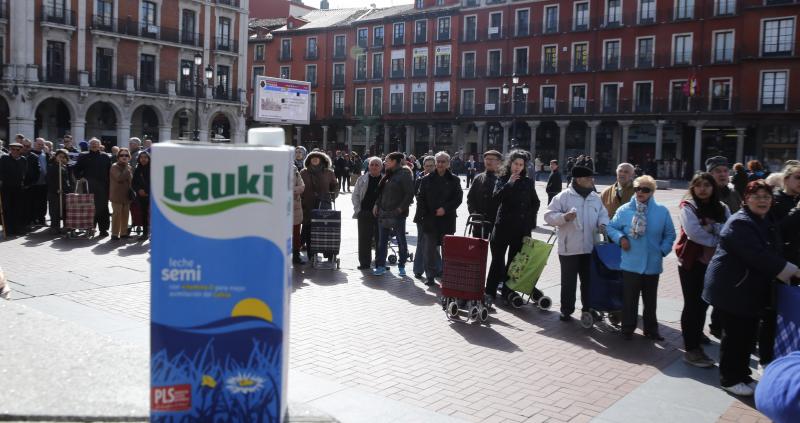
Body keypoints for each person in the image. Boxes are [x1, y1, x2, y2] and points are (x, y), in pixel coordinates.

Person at [703, 180, 800, 396]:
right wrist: (792, 270)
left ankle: (743, 375)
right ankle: (729, 379)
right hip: (732, 288)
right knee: (735, 336)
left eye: (766, 197)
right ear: (746, 199)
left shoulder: (765, 219)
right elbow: (759, 256)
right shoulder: (740, 222)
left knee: (747, 335)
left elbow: (775, 249)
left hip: (750, 288)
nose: (762, 201)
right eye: (756, 196)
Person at [606, 175, 676, 341]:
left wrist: (662, 251)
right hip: (631, 262)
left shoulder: (662, 211)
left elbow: (670, 234)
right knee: (629, 299)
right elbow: (611, 227)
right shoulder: (624, 210)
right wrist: (621, 238)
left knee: (650, 301)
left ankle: (651, 329)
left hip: (653, 263)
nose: (640, 192)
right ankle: (628, 328)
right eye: (638, 188)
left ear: (652, 192)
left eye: (645, 189)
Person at [675, 173, 730, 368]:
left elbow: (728, 229)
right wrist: (716, 236)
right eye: (698, 185)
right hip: (691, 262)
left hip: (714, 262)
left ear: (713, 187)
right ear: (692, 188)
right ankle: (691, 349)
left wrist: (712, 227)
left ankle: (696, 337)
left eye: (707, 185)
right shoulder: (688, 206)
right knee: (693, 304)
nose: (702, 189)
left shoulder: (722, 208)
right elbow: (694, 233)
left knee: (704, 303)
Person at [545, 166, 609, 321]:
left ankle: (588, 308)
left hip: (590, 247)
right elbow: (548, 216)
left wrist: (603, 224)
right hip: (569, 247)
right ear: (579, 179)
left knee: (589, 281)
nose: (592, 181)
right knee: (568, 282)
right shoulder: (564, 196)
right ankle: (566, 310)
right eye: (589, 178)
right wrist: (564, 217)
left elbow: (603, 214)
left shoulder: (595, 197)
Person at [483, 150, 540, 304]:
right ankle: (489, 293)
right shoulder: (502, 179)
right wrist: (509, 184)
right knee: (497, 261)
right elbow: (495, 199)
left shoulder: (527, 182)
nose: (518, 167)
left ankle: (508, 291)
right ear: (510, 163)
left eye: (521, 165)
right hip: (502, 228)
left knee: (513, 263)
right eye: (515, 164)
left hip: (520, 230)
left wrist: (529, 222)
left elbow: (536, 202)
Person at [704, 155, 741, 338]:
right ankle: (697, 332)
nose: (723, 174)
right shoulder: (704, 193)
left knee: (726, 290)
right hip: (708, 250)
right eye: (718, 171)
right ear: (710, 174)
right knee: (702, 295)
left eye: (725, 171)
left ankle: (718, 325)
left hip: (731, 250)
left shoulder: (733, 193)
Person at [414, 151, 463, 285]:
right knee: (429, 250)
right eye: (438, 161)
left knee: (447, 250)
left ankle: (446, 275)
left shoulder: (454, 180)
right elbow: (420, 197)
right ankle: (430, 276)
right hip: (430, 220)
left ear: (448, 163)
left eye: (443, 162)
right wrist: (425, 214)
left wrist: (445, 209)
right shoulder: (426, 179)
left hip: (447, 220)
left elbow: (458, 199)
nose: (440, 164)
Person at [373, 152, 415, 276]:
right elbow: (381, 193)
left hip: (397, 214)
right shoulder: (388, 174)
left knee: (401, 240)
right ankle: (381, 265)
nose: (385, 162)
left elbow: (409, 194)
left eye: (387, 160)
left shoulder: (404, 173)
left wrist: (400, 209)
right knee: (382, 241)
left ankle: (402, 265)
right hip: (383, 212)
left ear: (395, 161)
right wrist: (377, 204)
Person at [299, 151, 338, 251]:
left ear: (322, 160)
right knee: (307, 226)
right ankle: (308, 250)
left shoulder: (329, 172)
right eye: (312, 158)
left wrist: (332, 196)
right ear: (309, 160)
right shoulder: (303, 172)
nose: (315, 159)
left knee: (322, 227)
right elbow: (299, 186)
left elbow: (335, 186)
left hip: (323, 203)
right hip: (307, 203)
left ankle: (323, 249)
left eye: (317, 158)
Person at [75, 138, 112, 237]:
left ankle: (103, 229)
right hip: (88, 186)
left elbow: (110, 172)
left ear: (100, 145)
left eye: (96, 144)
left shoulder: (105, 157)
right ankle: (90, 227)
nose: (94, 145)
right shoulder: (83, 156)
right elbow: (76, 170)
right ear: (89, 146)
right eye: (92, 144)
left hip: (103, 187)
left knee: (103, 208)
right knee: (90, 208)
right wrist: (80, 177)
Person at [412, 156, 442, 278]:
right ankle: (418, 269)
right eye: (427, 165)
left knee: (435, 243)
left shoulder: (440, 178)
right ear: (423, 166)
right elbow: (418, 197)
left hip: (437, 216)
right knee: (422, 242)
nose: (429, 168)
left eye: (431, 165)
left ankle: (437, 268)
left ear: (435, 166)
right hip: (423, 216)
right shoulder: (420, 180)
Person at [352, 157, 382, 270]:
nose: (374, 167)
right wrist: (358, 210)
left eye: (377, 165)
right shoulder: (361, 179)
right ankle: (364, 263)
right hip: (364, 212)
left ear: (381, 167)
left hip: (379, 214)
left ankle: (380, 262)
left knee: (380, 239)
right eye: (372, 165)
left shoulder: (385, 180)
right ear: (368, 166)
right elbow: (355, 195)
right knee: (364, 239)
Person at [466, 150, 502, 238]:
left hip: (497, 222)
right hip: (479, 221)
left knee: (496, 250)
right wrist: (473, 213)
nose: (488, 161)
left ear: (499, 162)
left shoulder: (503, 178)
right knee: (478, 250)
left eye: (492, 159)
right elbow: (470, 198)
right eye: (487, 159)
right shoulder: (478, 178)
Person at [0, 142, 28, 235]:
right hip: (6, 187)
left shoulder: (23, 159)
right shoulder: (4, 158)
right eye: (13, 149)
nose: (15, 151)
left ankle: (18, 228)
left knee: (18, 208)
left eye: (17, 149)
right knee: (7, 208)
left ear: (21, 150)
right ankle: (8, 229)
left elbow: (24, 172)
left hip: (18, 188)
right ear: (10, 149)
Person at [46, 149, 73, 234]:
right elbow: (48, 180)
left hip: (63, 192)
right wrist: (56, 189)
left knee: (65, 209)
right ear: (56, 157)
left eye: (63, 157)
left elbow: (66, 180)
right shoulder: (52, 167)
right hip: (54, 192)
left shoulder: (64, 167)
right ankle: (54, 226)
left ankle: (66, 226)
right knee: (54, 210)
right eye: (60, 156)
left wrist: (67, 189)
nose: (61, 158)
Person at [108, 147, 133, 240]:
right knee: (116, 215)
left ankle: (123, 233)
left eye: (126, 155)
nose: (124, 157)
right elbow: (119, 178)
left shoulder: (129, 167)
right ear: (118, 157)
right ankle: (114, 234)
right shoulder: (115, 166)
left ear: (129, 157)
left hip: (127, 195)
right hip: (117, 195)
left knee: (125, 215)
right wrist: (127, 169)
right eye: (122, 155)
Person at [131, 151, 151, 241]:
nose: (143, 159)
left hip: (152, 195)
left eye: (145, 157)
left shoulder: (154, 168)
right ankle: (145, 233)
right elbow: (134, 183)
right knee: (144, 214)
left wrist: (147, 191)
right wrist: (139, 190)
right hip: (141, 196)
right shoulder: (137, 169)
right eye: (141, 157)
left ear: (149, 159)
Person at [31, 138, 49, 226]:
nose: (41, 146)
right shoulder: (30, 153)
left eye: (42, 144)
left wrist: (48, 153)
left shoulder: (45, 154)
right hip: (34, 182)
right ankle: (34, 219)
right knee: (34, 202)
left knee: (43, 202)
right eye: (39, 144)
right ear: (35, 144)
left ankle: (42, 219)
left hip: (44, 182)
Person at [291, 166, 305, 264]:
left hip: (295, 207)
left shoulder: (295, 171)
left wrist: (289, 190)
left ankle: (296, 256)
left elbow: (302, 187)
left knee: (296, 233)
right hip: (279, 208)